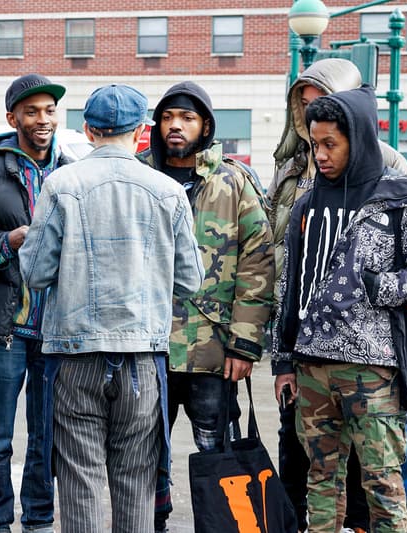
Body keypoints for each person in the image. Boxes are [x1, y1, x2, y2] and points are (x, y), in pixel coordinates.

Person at [19, 83, 203, 532]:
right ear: (142, 132)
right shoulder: (167, 191)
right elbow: (191, 280)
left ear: (88, 130)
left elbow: (36, 273)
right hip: (142, 355)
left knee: (79, 482)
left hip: (74, 354)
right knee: (137, 482)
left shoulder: (61, 184)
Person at [275, 85, 407, 533]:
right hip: (311, 366)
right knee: (321, 481)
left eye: (331, 143)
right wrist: (282, 360)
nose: (321, 155)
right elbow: (289, 285)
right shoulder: (307, 202)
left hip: (372, 371)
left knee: (383, 484)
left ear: (360, 139)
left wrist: (378, 287)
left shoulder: (401, 197)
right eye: (315, 145)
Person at [139, 81, 274, 532]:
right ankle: (151, 523)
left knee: (216, 449)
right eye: (168, 117)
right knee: (143, 450)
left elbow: (258, 264)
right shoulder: (139, 175)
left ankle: (221, 525)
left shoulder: (233, 181)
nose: (175, 125)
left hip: (211, 349)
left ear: (206, 126)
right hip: (146, 344)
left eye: (187, 117)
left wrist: (244, 344)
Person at [0, 73, 72, 533]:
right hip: (5, 326)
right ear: (13, 118)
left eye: (49, 110)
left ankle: (39, 518)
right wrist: (7, 241)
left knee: (46, 437)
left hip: (57, 329)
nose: (42, 120)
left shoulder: (69, 167)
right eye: (32, 112)